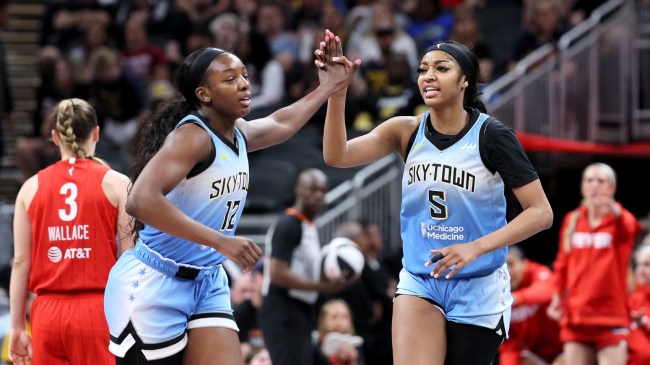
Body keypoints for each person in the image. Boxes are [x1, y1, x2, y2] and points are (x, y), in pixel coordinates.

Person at [104, 29, 359, 364]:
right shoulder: (192, 137)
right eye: (230, 79)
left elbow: (281, 123)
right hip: (156, 282)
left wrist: (328, 87)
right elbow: (139, 200)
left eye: (244, 75)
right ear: (204, 94)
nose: (244, 84)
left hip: (207, 279)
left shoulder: (237, 132)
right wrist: (221, 242)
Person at [318, 36, 554, 365]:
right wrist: (337, 92)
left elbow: (541, 213)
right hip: (421, 279)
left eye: (441, 68)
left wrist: (475, 247)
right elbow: (336, 155)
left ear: (464, 81)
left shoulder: (492, 136)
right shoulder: (406, 130)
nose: (428, 75)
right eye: (423, 69)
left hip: (477, 283)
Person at [8, 98, 133, 365]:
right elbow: (130, 259)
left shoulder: (30, 188)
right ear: (96, 133)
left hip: (46, 314)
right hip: (98, 310)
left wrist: (17, 327)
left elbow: (19, 263)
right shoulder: (118, 183)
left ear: (54, 136)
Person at [259, 168, 359, 365]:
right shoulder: (289, 224)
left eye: (323, 191)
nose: (318, 196)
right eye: (312, 190)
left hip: (300, 309)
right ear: (298, 191)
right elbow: (278, 273)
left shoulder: (308, 226)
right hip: (283, 308)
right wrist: (322, 287)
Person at [547, 162, 642, 365]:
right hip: (577, 316)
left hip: (610, 317)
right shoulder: (571, 220)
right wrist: (557, 293)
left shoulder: (619, 221)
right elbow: (562, 262)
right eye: (589, 180)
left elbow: (631, 227)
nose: (594, 185)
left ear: (612, 188)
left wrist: (615, 210)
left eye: (601, 181)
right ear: (582, 186)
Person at [500, 245, 563, 365]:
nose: (507, 272)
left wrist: (516, 298)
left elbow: (547, 290)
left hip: (564, 349)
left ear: (524, 263)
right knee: (522, 360)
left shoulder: (537, 271)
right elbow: (509, 347)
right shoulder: (498, 292)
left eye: (511, 264)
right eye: (502, 268)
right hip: (536, 355)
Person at [314, 299, 364, 365]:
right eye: (334, 317)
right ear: (323, 320)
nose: (339, 322)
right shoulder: (316, 344)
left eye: (344, 317)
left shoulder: (354, 345)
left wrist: (352, 360)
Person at [628, 243, 650, 365]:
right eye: (638, 265)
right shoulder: (629, 300)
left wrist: (644, 325)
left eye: (647, 264)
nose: (640, 270)